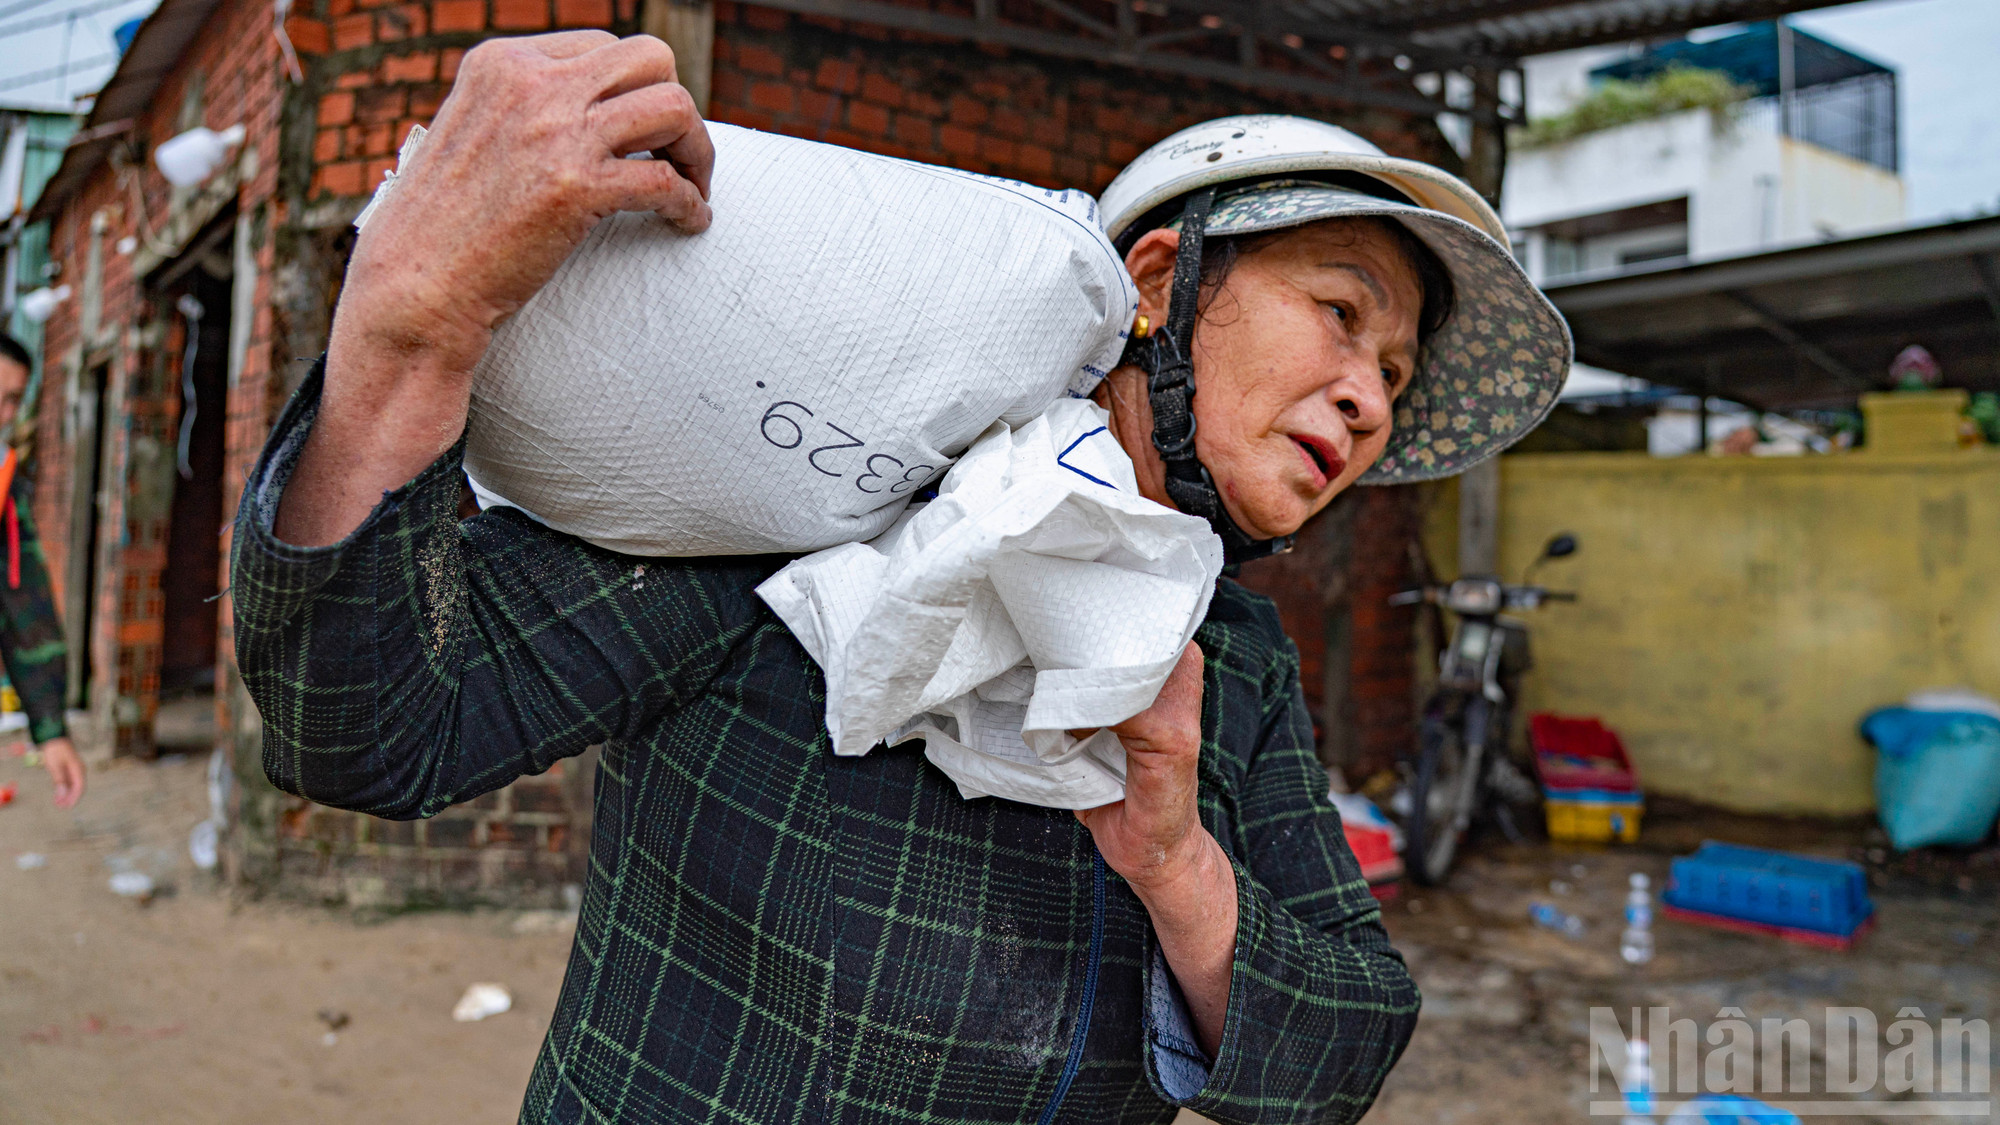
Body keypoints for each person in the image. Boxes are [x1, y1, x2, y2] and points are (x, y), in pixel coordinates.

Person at [232, 32, 1567, 1125]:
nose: (1369, 398)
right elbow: (369, 728)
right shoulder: (817, 517)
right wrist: (410, 329)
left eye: (1394, 374)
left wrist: (1175, 861)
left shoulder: (1234, 663)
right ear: (1162, 283)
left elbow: (1342, 1053)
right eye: (1340, 313)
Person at [0, 332, 80, 809]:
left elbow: (25, 605)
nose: (4, 414)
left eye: (12, 400)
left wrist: (51, 729)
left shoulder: (4, 487)